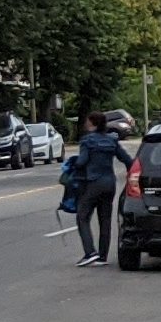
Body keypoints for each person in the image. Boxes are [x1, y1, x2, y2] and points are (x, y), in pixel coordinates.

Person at [62, 111, 129, 265]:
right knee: (105, 220)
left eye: (88, 121)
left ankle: (90, 252)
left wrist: (73, 163)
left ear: (93, 123)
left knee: (83, 216)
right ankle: (102, 256)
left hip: (93, 183)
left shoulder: (87, 141)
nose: (86, 124)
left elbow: (81, 162)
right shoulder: (112, 140)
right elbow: (126, 159)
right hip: (110, 184)